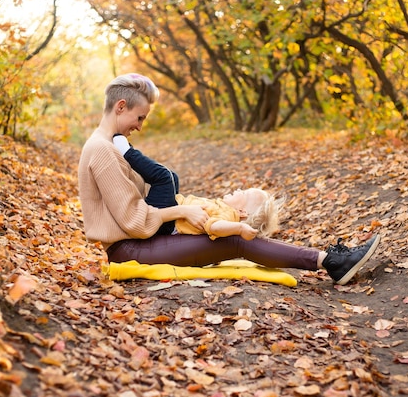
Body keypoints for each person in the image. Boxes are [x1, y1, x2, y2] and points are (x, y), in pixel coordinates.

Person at [77, 73, 381, 285]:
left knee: (176, 185)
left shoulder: (106, 146)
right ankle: (331, 262)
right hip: (130, 249)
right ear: (120, 107)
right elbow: (134, 222)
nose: (140, 126)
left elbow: (141, 202)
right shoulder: (103, 151)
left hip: (141, 242)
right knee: (235, 240)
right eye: (139, 117)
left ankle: (329, 259)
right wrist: (182, 211)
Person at [111, 133, 280, 240]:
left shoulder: (227, 217)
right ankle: (128, 154)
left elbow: (216, 228)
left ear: (242, 213)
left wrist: (240, 228)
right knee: (173, 177)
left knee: (165, 178)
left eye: (242, 193)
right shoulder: (224, 208)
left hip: (166, 223)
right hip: (171, 213)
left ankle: (127, 152)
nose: (237, 189)